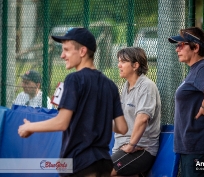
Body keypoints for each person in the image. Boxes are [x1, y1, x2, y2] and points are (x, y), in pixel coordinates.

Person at [18, 27, 128, 177]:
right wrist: (95, 119)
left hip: (79, 164)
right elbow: (122, 127)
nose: (62, 55)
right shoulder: (110, 85)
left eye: (67, 50)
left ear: (82, 51)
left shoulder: (74, 79)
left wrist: (30, 127)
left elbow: (61, 123)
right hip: (103, 164)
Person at [168, 27, 204, 177]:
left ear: (196, 47)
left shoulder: (202, 68)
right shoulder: (195, 69)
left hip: (198, 149)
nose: (177, 49)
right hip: (192, 148)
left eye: (181, 45)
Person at [111, 47, 161, 177]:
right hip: (122, 148)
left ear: (135, 65)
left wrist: (131, 145)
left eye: (123, 61)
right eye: (118, 61)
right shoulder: (126, 87)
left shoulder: (146, 86)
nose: (119, 65)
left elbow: (143, 119)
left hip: (141, 149)